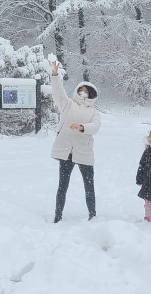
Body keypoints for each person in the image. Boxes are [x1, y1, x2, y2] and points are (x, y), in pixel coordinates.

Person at [49, 60, 101, 223]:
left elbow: (96, 127)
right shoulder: (67, 104)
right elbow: (58, 92)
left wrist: (81, 127)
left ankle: (92, 216)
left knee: (89, 186)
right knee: (62, 186)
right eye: (81, 90)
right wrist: (55, 75)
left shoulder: (93, 111)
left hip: (84, 153)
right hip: (66, 152)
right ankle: (58, 217)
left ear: (91, 94)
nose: (83, 92)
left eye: (86, 91)